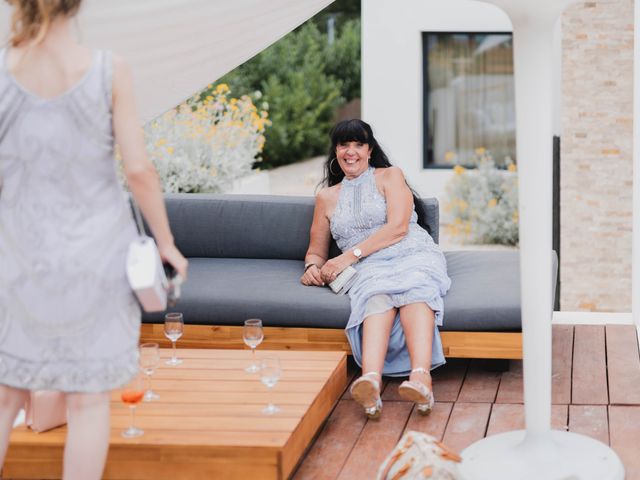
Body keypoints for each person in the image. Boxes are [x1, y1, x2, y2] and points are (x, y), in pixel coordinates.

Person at [0, 1, 188, 478]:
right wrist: (165, 243)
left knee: (5, 395)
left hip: (19, 257)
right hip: (96, 257)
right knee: (87, 403)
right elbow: (139, 171)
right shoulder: (109, 70)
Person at [301, 119, 450, 419]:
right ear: (336, 152)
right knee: (375, 294)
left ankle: (421, 377)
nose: (351, 151)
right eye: (344, 145)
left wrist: (347, 257)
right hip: (369, 266)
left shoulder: (389, 176)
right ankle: (370, 380)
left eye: (358, 144)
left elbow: (397, 228)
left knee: (414, 288)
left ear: (369, 150)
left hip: (411, 252)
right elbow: (316, 250)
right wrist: (312, 267)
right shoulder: (326, 197)